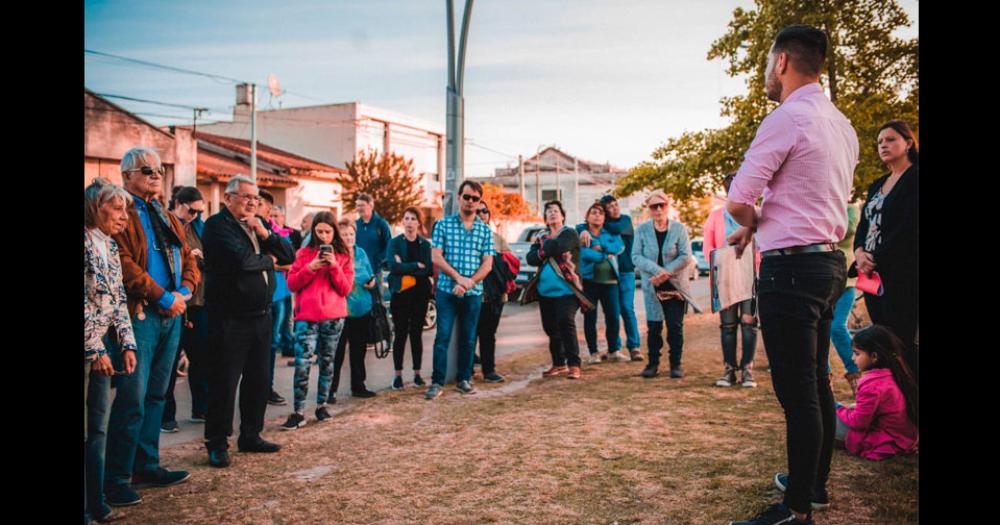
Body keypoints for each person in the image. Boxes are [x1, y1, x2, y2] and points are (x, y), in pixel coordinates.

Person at [726, 25, 859, 525]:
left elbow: (740, 199)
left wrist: (755, 223)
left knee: (797, 392)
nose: (766, 70)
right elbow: (814, 199)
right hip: (828, 264)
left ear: (781, 61)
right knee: (817, 384)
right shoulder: (841, 123)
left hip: (792, 272)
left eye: (767, 61)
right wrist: (762, 229)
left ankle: (796, 508)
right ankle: (813, 486)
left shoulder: (786, 118)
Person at [105, 147, 200, 506]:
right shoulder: (121, 210)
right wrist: (163, 296)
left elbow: (189, 255)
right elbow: (125, 264)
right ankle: (115, 477)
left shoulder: (163, 212)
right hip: (141, 314)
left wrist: (185, 292)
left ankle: (147, 464)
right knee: (132, 399)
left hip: (172, 315)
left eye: (160, 170)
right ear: (127, 175)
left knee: (158, 394)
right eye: (147, 170)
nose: (156, 175)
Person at [202, 175, 295, 468]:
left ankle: (251, 434)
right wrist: (271, 262)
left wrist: (266, 236)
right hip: (230, 318)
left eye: (256, 198)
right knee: (225, 382)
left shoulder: (260, 224)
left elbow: (290, 254)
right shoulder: (217, 226)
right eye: (246, 197)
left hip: (261, 316)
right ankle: (217, 442)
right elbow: (242, 262)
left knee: (258, 379)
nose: (252, 203)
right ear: (228, 198)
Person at [85, 178, 138, 524]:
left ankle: (95, 500)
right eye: (117, 209)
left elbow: (118, 299)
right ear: (95, 207)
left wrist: (127, 342)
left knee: (97, 428)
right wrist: (93, 347)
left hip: (104, 346)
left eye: (126, 211)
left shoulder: (112, 247)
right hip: (90, 347)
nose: (123, 218)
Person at [854, 120, 919, 379]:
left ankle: (910, 403)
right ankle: (889, 397)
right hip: (871, 275)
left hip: (902, 273)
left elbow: (909, 227)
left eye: (891, 139)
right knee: (880, 340)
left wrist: (875, 257)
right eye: (880, 142)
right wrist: (859, 252)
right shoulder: (877, 184)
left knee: (900, 340)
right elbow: (864, 224)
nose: (884, 145)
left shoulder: (915, 177)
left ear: (909, 143)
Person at [281, 212, 353, 429]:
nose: (323, 236)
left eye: (327, 232)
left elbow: (345, 288)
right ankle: (298, 411)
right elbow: (291, 284)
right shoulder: (303, 253)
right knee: (302, 364)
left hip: (333, 317)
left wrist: (333, 266)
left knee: (327, 363)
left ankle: (321, 405)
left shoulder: (343, 256)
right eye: (319, 231)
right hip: (307, 317)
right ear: (313, 231)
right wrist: (311, 267)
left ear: (334, 232)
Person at [425, 181, 495, 399]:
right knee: (442, 336)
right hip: (447, 290)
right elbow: (436, 256)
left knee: (468, 338)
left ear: (479, 201)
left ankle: (464, 378)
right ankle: (437, 382)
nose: (470, 202)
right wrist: (458, 278)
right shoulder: (444, 225)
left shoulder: (484, 230)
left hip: (472, 293)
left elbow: (487, 264)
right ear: (459, 197)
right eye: (467, 197)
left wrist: (469, 283)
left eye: (475, 198)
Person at [632, 190, 697, 379]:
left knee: (675, 326)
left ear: (668, 207)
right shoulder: (642, 230)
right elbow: (636, 255)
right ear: (649, 209)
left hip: (675, 285)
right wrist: (657, 271)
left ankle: (675, 364)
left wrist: (666, 272)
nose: (658, 209)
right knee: (654, 327)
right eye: (654, 206)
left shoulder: (679, 229)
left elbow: (686, 256)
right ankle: (653, 364)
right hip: (653, 285)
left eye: (662, 205)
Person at [704, 174, 761, 388]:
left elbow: (763, 243)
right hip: (725, 277)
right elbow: (708, 248)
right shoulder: (716, 216)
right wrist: (717, 273)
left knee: (749, 323)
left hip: (749, 276)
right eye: (730, 188)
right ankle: (729, 369)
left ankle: (747, 369)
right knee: (727, 325)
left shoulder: (756, 214)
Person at [161, 186, 210, 433]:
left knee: (201, 359)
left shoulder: (198, 227)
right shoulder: (166, 224)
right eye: (191, 210)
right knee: (169, 364)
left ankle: (200, 407)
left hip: (198, 303)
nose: (194, 216)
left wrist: (201, 258)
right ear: (178, 204)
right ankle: (166, 415)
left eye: (199, 212)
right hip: (174, 303)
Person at [833, 325, 918, 460]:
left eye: (857, 353)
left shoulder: (871, 383)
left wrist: (837, 408)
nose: (853, 358)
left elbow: (858, 422)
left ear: (874, 356)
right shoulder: (895, 372)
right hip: (905, 437)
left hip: (886, 440)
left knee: (825, 414)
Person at [525, 200, 588, 380]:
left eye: (555, 211)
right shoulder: (541, 235)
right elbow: (530, 258)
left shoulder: (569, 233)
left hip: (567, 289)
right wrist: (543, 252)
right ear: (545, 217)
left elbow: (557, 247)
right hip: (546, 291)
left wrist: (542, 251)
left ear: (562, 215)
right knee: (551, 328)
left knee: (565, 322)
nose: (552, 213)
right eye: (549, 211)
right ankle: (558, 363)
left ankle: (574, 365)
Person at [579, 195, 643, 361]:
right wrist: (585, 229)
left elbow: (618, 243)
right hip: (598, 277)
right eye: (610, 207)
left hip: (623, 272)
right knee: (599, 315)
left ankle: (631, 347)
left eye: (616, 205)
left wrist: (598, 243)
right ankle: (603, 350)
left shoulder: (624, 221)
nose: (615, 208)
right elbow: (583, 248)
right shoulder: (587, 229)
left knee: (624, 310)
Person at [330, 218, 379, 399]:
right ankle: (330, 390)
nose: (349, 238)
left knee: (359, 351)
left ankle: (358, 386)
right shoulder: (335, 255)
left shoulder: (361, 253)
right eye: (344, 234)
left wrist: (372, 281)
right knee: (337, 353)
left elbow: (370, 273)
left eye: (351, 234)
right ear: (338, 236)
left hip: (362, 309)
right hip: (340, 311)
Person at [387, 206, 433, 389]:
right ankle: (397, 375)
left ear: (419, 223)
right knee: (400, 334)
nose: (409, 222)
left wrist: (404, 266)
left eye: (413, 219)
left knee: (416, 334)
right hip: (401, 294)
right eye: (406, 218)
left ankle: (417, 374)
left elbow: (428, 269)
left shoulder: (425, 245)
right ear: (402, 222)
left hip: (420, 295)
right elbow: (392, 266)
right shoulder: (395, 243)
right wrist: (415, 265)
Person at [255, 192, 293, 406]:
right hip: (258, 295)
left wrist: (270, 262)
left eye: (259, 203)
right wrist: (270, 261)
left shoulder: (275, 234)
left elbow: (289, 261)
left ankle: (266, 387)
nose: (254, 206)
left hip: (279, 294)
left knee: (272, 343)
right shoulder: (250, 230)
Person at [578, 202, 626, 364]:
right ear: (587, 217)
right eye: (593, 212)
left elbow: (619, 247)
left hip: (610, 281)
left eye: (600, 213)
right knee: (590, 317)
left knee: (613, 316)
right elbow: (585, 254)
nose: (597, 215)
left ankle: (613, 351)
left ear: (605, 217)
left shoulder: (610, 232)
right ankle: (593, 353)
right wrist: (605, 254)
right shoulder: (582, 233)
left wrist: (599, 246)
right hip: (589, 281)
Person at [475, 203, 515, 383]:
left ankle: (488, 370)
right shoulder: (466, 237)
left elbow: (511, 267)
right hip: (473, 294)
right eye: (477, 211)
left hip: (494, 295)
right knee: (469, 334)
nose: (481, 214)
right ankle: (467, 369)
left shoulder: (497, 239)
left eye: (484, 211)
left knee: (488, 334)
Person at [830, 204, 861, 395]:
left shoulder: (850, 208)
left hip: (846, 280)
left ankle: (854, 372)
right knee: (819, 328)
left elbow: (846, 230)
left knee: (837, 327)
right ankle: (824, 376)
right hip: (823, 279)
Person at [354, 193, 392, 289]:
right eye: (357, 205)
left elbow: (388, 245)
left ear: (371, 205)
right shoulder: (356, 225)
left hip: (375, 272)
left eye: (362, 205)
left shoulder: (381, 224)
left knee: (377, 302)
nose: (359, 208)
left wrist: (378, 260)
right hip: (357, 271)